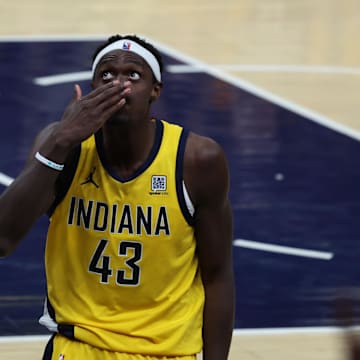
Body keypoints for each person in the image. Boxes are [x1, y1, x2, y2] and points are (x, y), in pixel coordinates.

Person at [0, 34, 235, 360]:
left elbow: (217, 274)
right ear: (92, 87)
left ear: (156, 90)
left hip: (167, 352)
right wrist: (60, 141)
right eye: (107, 75)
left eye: (133, 75)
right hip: (78, 347)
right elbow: (3, 239)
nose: (118, 84)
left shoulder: (197, 160)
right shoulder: (64, 147)